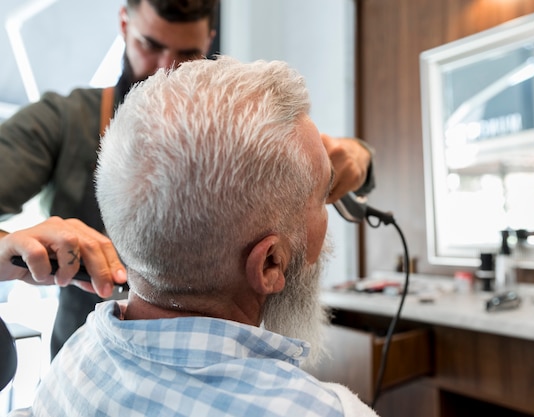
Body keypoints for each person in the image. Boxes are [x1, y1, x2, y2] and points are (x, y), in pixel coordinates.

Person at [0, 0, 374, 358]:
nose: (166, 68)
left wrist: (359, 156)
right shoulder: (61, 122)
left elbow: (344, 159)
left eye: (187, 53)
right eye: (151, 45)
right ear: (125, 26)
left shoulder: (232, 125)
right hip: (91, 362)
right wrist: (7, 250)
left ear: (209, 41)